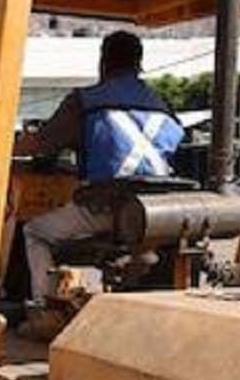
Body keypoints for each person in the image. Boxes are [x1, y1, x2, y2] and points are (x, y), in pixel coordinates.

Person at [13, 30, 183, 303]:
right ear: (138, 64)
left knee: (35, 232)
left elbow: (42, 144)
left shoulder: (85, 101)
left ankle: (45, 308)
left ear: (103, 62)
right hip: (157, 211)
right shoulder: (163, 105)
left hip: (108, 207)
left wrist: (4, 147)